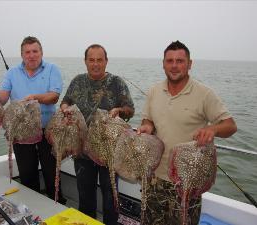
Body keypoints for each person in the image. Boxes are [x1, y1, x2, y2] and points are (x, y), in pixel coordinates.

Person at [137, 40, 237, 225]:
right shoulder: (154, 91)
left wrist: (212, 129)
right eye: (170, 61)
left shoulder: (204, 94)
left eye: (180, 61)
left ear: (189, 64)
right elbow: (148, 120)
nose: (174, 66)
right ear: (163, 64)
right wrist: (147, 127)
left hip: (187, 182)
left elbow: (230, 125)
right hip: (154, 177)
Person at [0, 36, 66, 204]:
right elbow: (3, 97)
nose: (31, 55)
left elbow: (54, 97)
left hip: (47, 130)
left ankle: (58, 204)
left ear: (41, 53)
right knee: (27, 174)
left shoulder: (52, 69)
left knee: (52, 173)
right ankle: (32, 208)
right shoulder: (12, 72)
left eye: (35, 51)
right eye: (27, 52)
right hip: (20, 131)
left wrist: (35, 97)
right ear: (22, 55)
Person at [60, 44, 135, 225]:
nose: (95, 64)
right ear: (85, 61)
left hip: (109, 151)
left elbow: (130, 110)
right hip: (83, 152)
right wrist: (64, 109)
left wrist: (119, 110)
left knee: (110, 197)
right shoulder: (77, 81)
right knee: (85, 195)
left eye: (99, 60)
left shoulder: (117, 83)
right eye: (91, 60)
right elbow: (66, 101)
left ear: (106, 61)